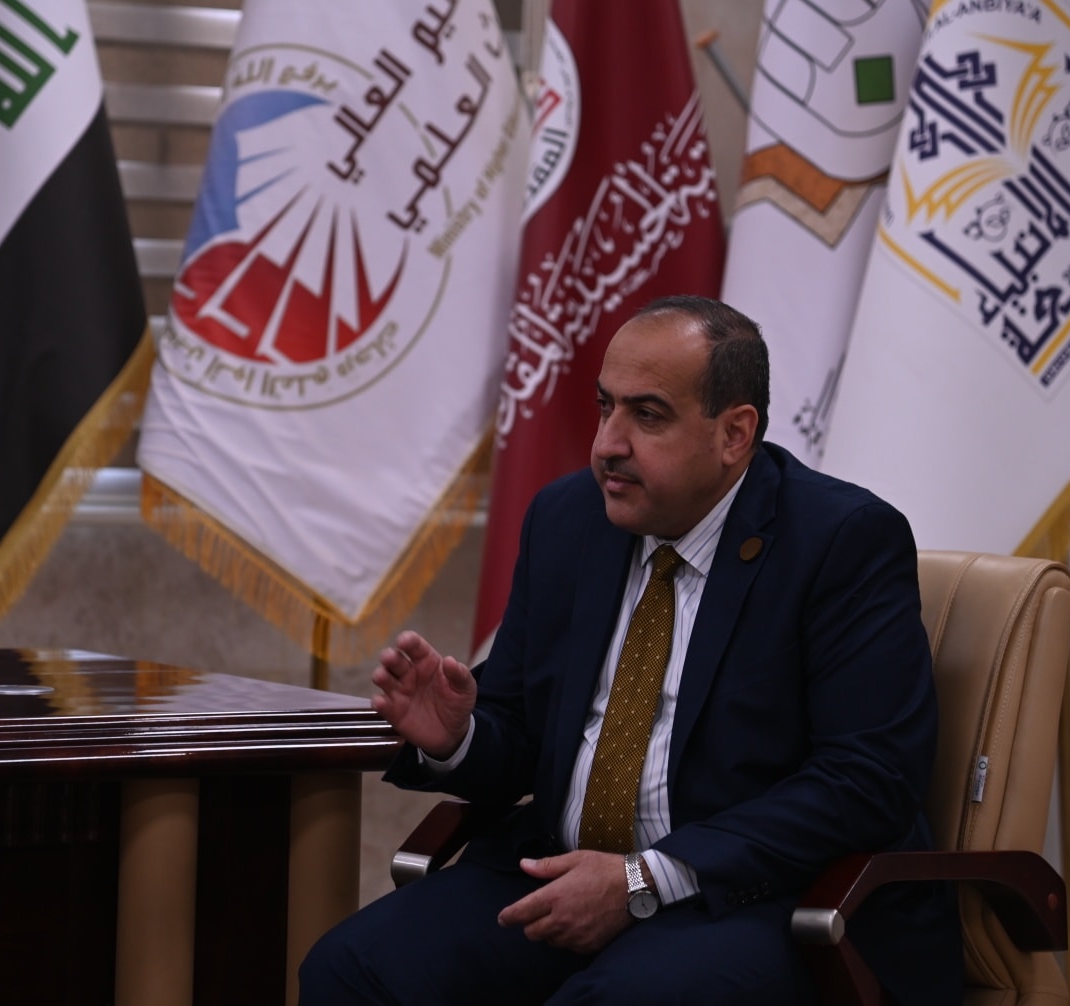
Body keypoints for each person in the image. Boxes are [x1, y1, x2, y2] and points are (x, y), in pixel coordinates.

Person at [300, 296, 961, 1004]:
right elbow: (521, 730)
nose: (607, 444)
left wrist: (646, 878)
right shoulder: (569, 518)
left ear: (734, 433)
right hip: (564, 871)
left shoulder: (840, 541)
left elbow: (866, 779)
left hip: (751, 897)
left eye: (647, 416)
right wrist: (459, 739)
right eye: (604, 406)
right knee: (350, 970)